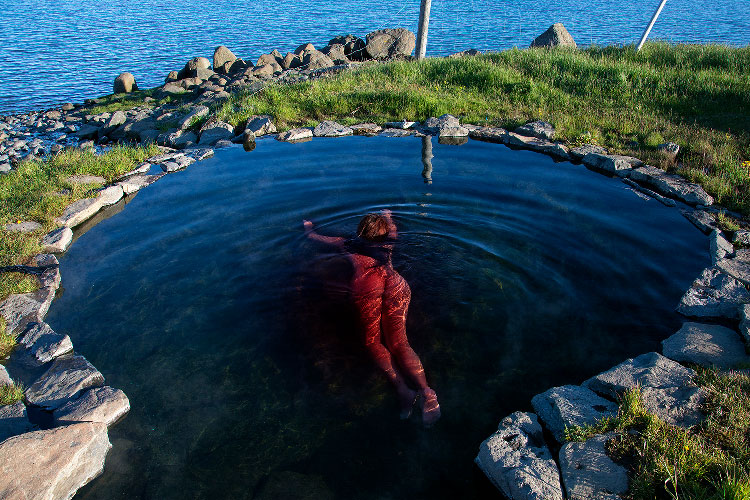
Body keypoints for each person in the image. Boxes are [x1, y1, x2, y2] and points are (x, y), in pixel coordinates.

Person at [303, 210, 441, 426]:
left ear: (360, 232)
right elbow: (392, 229)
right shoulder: (389, 241)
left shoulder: (348, 243)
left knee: (372, 342)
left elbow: (315, 238)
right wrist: (389, 216)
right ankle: (426, 391)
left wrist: (309, 228)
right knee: (400, 342)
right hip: (396, 283)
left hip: (368, 283)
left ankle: (403, 390)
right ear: (383, 234)